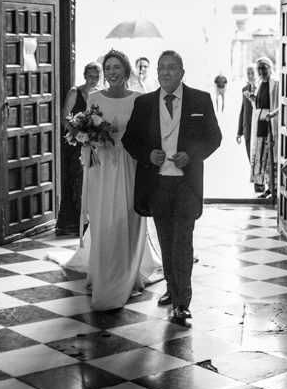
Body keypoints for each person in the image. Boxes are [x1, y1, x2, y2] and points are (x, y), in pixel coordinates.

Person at [122, 50, 222, 327]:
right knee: (166, 240)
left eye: (171, 68)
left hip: (186, 184)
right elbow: (130, 140)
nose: (165, 72)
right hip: (157, 184)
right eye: (161, 68)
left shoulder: (200, 99)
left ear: (181, 72)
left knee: (183, 241)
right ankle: (172, 287)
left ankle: (182, 302)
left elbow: (214, 137)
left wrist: (191, 154)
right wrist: (147, 155)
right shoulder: (144, 103)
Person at [62, 50, 162, 311]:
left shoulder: (139, 99)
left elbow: (147, 135)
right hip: (102, 166)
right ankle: (103, 271)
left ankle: (128, 272)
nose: (112, 72)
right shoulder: (94, 98)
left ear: (126, 71)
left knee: (127, 217)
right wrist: (85, 135)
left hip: (130, 165)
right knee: (104, 218)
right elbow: (83, 127)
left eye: (117, 67)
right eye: (108, 67)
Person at [56, 62, 101, 236]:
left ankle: (89, 220)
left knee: (91, 181)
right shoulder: (75, 92)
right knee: (77, 179)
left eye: (96, 77)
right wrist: (76, 132)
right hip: (76, 142)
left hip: (93, 143)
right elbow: (63, 116)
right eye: (90, 76)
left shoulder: (100, 93)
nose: (93, 80)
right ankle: (74, 222)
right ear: (84, 76)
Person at [250, 57, 279, 199]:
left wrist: (273, 114)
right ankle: (268, 187)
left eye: (264, 68)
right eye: (259, 69)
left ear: (270, 68)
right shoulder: (259, 83)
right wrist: (252, 99)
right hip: (260, 125)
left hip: (271, 124)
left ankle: (275, 188)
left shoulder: (276, 83)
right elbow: (258, 104)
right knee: (262, 158)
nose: (262, 71)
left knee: (271, 158)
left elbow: (282, 103)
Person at [236, 64, 260, 190]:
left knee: (258, 157)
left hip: (258, 128)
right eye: (248, 73)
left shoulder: (261, 88)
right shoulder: (244, 88)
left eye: (252, 73)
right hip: (247, 129)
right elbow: (243, 109)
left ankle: (261, 185)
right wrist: (239, 131)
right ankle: (257, 184)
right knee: (250, 158)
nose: (250, 76)